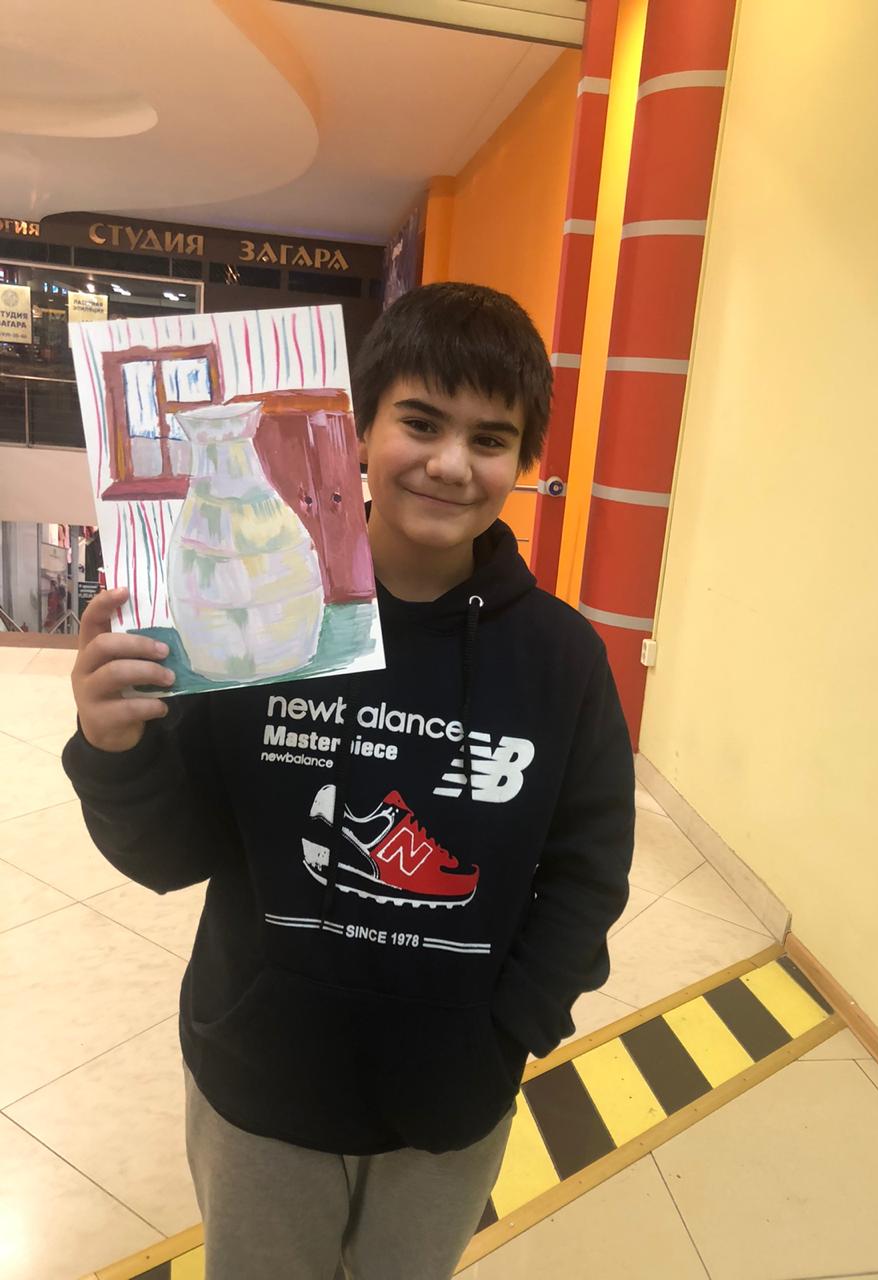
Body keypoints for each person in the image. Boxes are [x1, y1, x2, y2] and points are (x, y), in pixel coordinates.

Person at [63, 282, 635, 1280]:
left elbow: (588, 870)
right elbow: (168, 855)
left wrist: (511, 1029)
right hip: (261, 1076)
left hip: (449, 1094)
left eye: (490, 438)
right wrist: (118, 754)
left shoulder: (562, 659)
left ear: (522, 463)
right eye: (421, 421)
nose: (450, 463)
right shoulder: (260, 618)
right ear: (360, 429)